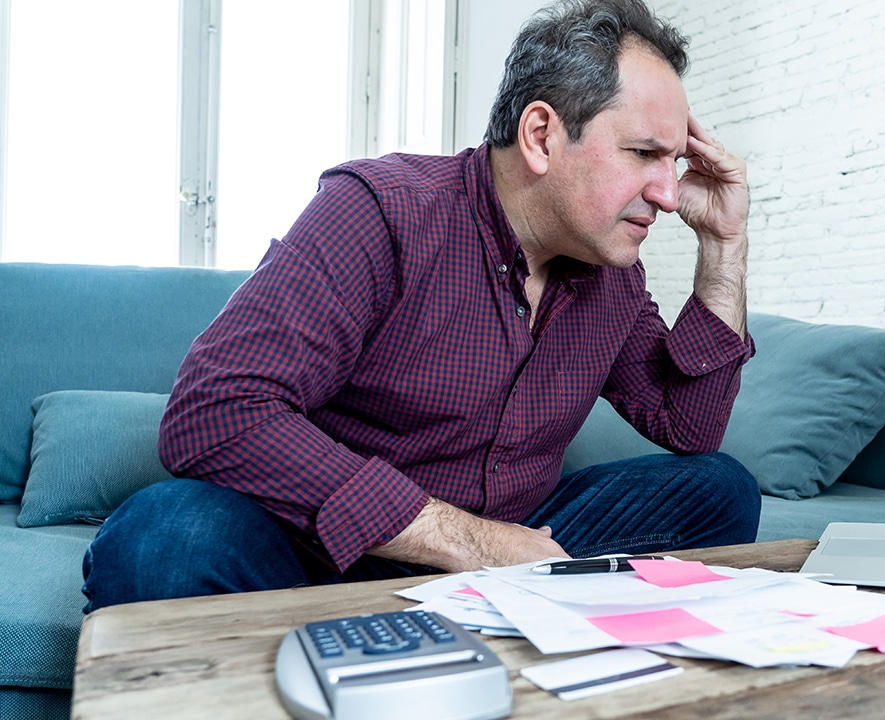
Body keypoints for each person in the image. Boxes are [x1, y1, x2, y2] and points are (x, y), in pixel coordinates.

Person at [81, 0, 758, 611]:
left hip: (512, 555)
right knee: (163, 538)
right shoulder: (379, 213)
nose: (669, 193)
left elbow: (689, 427)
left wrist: (724, 244)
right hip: (329, 554)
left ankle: (484, 619)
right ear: (542, 135)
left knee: (719, 487)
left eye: (674, 162)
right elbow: (215, 411)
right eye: (645, 153)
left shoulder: (611, 277)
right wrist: (468, 542)